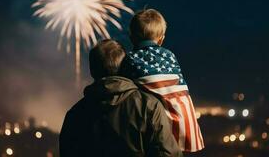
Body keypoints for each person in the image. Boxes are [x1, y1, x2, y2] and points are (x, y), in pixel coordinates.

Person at [59, 39, 182, 157]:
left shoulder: (75, 114)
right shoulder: (148, 106)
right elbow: (167, 153)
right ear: (125, 67)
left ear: (92, 70)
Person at [121, 9, 204, 152]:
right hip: (185, 128)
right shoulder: (170, 55)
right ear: (161, 39)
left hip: (160, 130)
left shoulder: (130, 59)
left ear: (131, 37)